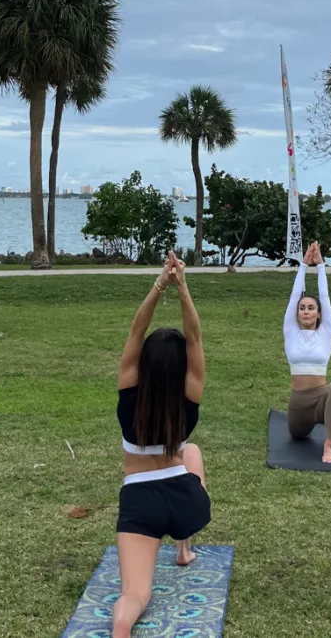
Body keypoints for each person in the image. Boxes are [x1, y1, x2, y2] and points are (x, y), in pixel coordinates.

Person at [112, 250, 210, 638]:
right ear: (182, 368)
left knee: (135, 593)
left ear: (145, 364)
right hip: (185, 505)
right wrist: (182, 287)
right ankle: (183, 549)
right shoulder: (189, 396)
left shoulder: (129, 389)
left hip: (140, 504)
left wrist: (158, 285)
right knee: (193, 452)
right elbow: (196, 336)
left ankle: (121, 626)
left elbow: (136, 334)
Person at [282, 241, 331, 463]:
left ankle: (329, 445)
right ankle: (311, 426)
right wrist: (303, 266)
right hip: (298, 404)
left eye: (311, 308)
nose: (306, 311)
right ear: (297, 313)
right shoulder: (290, 332)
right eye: (302, 308)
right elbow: (293, 296)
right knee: (297, 435)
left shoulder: (326, 332)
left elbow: (325, 298)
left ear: (319, 314)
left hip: (321, 398)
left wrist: (321, 267)